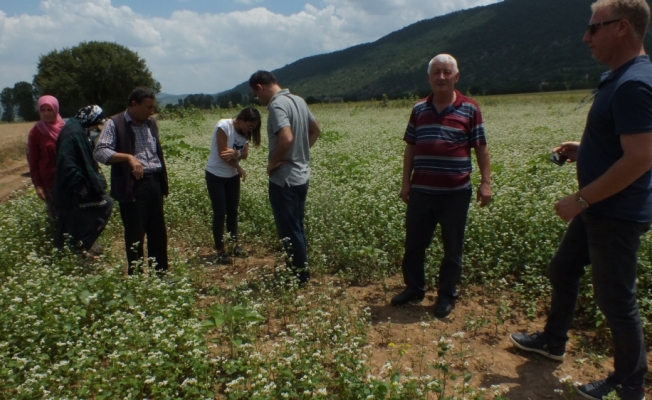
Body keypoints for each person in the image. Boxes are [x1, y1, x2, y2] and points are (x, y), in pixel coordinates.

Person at [509, 1, 652, 399]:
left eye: (594, 28)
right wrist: (584, 148)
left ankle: (630, 384)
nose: (586, 36)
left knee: (616, 301)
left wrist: (581, 199)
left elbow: (641, 157)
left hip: (613, 214)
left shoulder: (634, 83)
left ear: (622, 28)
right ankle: (553, 342)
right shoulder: (620, 77)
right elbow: (621, 142)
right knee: (564, 269)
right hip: (601, 211)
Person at [391, 54, 492, 319]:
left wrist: (486, 183)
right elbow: (410, 148)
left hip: (456, 193)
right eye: (436, 72)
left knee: (452, 247)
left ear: (457, 77)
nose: (442, 77)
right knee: (414, 244)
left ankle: (446, 295)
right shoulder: (419, 109)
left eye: (447, 72)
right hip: (421, 191)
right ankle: (414, 288)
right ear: (429, 78)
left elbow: (481, 148)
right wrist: (405, 183)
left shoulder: (470, 108)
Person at [248, 70, 321, 284]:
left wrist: (272, 162)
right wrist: (301, 153)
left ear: (260, 87)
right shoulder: (298, 100)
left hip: (285, 179)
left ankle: (298, 276)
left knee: (289, 229)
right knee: (297, 225)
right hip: (301, 176)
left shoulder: (277, 105)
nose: (258, 100)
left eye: (256, 94)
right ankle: (300, 269)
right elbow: (316, 130)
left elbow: (286, 137)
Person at [94, 87, 169, 276]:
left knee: (158, 232)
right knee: (135, 234)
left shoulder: (151, 123)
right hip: (132, 185)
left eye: (153, 107)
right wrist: (128, 157)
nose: (152, 111)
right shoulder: (115, 123)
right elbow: (100, 152)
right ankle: (135, 276)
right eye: (148, 107)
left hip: (154, 182)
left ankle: (159, 274)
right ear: (134, 105)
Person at [53, 105, 113, 255]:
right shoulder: (73, 133)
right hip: (72, 188)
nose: (95, 127)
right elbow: (67, 162)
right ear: (90, 118)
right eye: (95, 123)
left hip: (69, 187)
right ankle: (82, 245)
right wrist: (80, 184)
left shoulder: (75, 128)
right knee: (104, 205)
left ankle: (70, 251)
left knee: (71, 221)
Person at [205, 107, 261, 264]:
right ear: (241, 119)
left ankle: (234, 244)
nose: (250, 130)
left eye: (253, 128)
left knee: (233, 211)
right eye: (249, 126)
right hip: (216, 175)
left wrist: (236, 154)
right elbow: (223, 154)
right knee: (220, 212)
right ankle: (220, 250)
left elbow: (245, 153)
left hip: (232, 177)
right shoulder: (224, 126)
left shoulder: (245, 133)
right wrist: (238, 167)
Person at [27, 95, 65, 222]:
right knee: (57, 219)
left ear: (56, 109)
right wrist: (38, 186)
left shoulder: (65, 128)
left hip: (68, 178)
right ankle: (59, 241)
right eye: (43, 110)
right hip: (49, 182)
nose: (46, 114)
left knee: (73, 214)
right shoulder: (35, 132)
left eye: (50, 110)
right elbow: (33, 162)